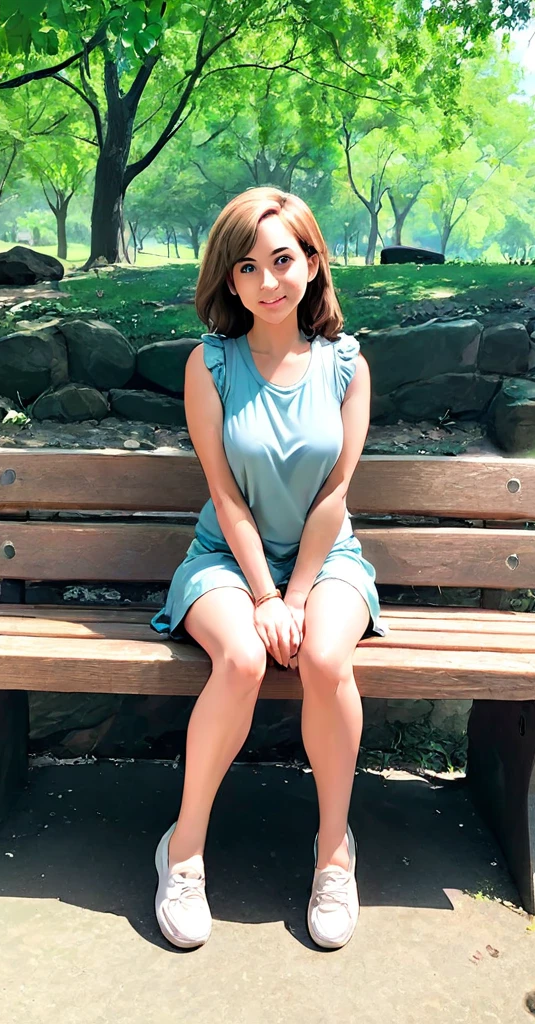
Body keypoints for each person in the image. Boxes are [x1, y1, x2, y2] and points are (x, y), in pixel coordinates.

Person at [150, 187, 386, 951]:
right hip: (224, 558)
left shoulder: (346, 366)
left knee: (323, 655)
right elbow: (223, 490)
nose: (268, 282)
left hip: (328, 562)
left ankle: (333, 856)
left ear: (313, 264)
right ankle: (182, 854)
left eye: (283, 261)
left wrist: (296, 594)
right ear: (229, 281)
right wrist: (262, 595)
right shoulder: (209, 364)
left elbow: (337, 490)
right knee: (246, 657)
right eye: (247, 267)